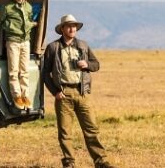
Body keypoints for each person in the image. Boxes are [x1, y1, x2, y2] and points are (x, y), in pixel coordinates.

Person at [41, 14, 115, 168]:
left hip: (82, 93)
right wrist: (55, 91)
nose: (72, 28)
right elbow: (45, 73)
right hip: (63, 94)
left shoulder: (83, 46)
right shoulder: (53, 47)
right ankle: (69, 163)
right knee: (65, 133)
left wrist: (86, 64)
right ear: (62, 29)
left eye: (74, 26)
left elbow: (96, 65)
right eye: (68, 26)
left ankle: (101, 161)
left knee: (91, 129)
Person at [0, 0, 36, 108]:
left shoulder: (29, 7)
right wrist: (8, 28)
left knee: (24, 70)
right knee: (13, 70)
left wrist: (31, 26)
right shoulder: (7, 7)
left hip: (25, 41)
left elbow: (29, 20)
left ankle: (25, 95)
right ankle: (16, 96)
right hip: (12, 41)